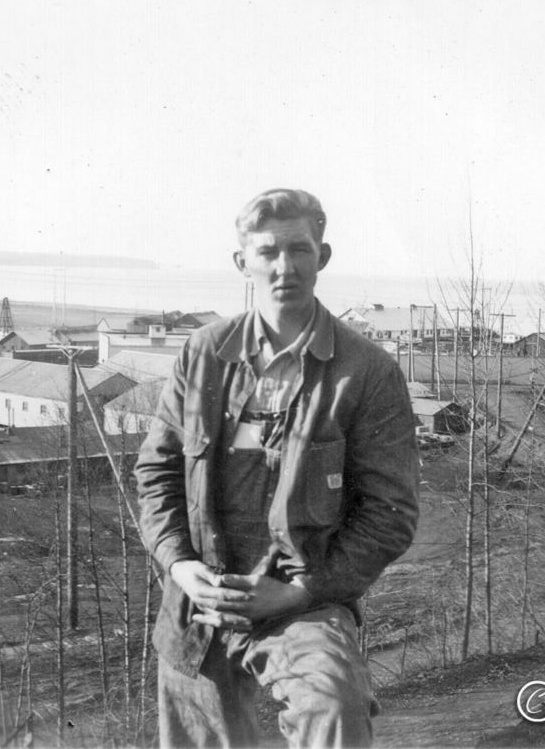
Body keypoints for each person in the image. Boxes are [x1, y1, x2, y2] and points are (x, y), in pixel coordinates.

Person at [135, 188, 420, 747]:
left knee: (333, 705)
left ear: (323, 256)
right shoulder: (203, 354)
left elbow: (390, 515)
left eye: (299, 249)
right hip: (200, 595)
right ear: (243, 263)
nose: (284, 267)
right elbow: (157, 473)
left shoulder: (365, 372)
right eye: (267, 252)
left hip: (302, 597)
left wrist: (297, 593)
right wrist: (180, 567)